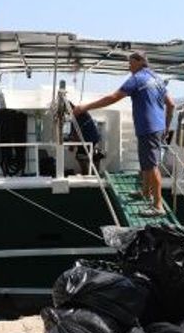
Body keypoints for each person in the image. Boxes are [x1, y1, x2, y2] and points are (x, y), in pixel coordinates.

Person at [73, 51, 174, 216]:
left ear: (140, 62)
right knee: (146, 163)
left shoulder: (137, 79)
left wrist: (84, 107)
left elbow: (113, 97)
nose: (129, 66)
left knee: (152, 165)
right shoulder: (157, 79)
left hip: (148, 127)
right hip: (156, 127)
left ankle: (158, 206)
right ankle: (145, 193)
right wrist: (166, 126)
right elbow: (171, 105)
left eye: (130, 63)